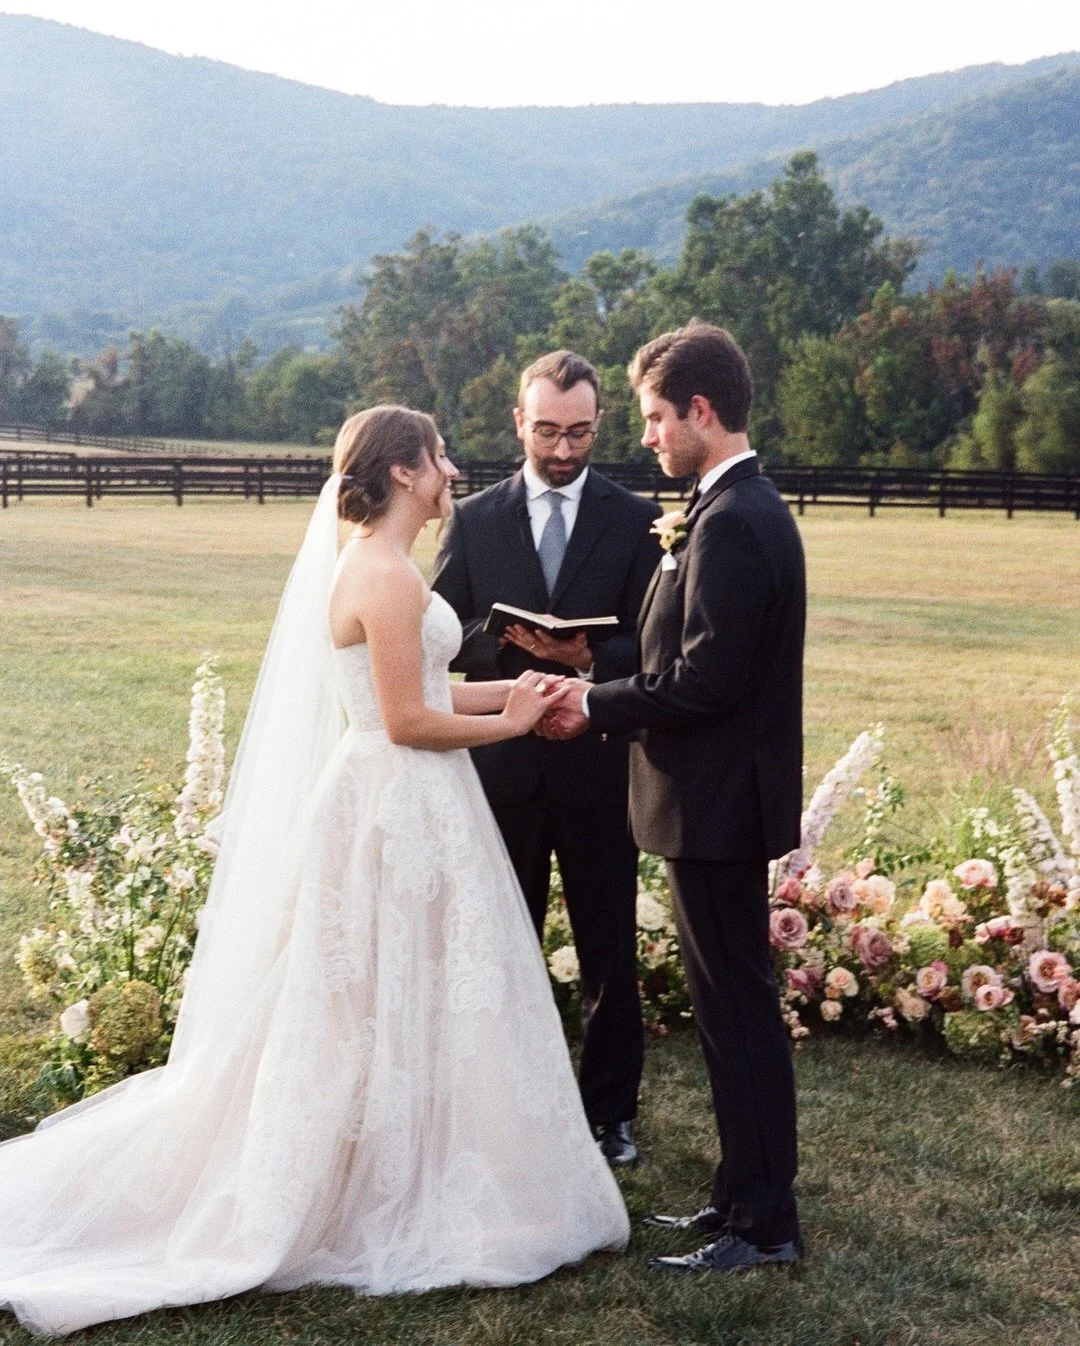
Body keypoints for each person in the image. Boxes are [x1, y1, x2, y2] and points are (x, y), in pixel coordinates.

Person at [0, 406, 628, 1338]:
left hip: (414, 797)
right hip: (393, 798)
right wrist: (507, 725)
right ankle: (374, 1174)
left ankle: (418, 1147)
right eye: (441, 456)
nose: (453, 469)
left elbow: (428, 690)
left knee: (410, 985)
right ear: (408, 470)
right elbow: (405, 722)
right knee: (369, 992)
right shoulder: (380, 573)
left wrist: (533, 693)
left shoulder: (390, 569)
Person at [541, 325, 806, 1273]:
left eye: (655, 417)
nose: (647, 436)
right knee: (724, 1007)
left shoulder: (735, 520)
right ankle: (737, 1198)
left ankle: (765, 1225)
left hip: (718, 804)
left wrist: (593, 704)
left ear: (700, 411)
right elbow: (685, 661)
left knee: (738, 1011)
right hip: (709, 801)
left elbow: (706, 681)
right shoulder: (723, 507)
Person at [432, 351, 661, 1166]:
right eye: (548, 432)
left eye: (581, 432)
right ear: (517, 423)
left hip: (600, 762)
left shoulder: (637, 517)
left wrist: (591, 656)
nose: (564, 450)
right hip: (504, 765)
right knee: (502, 942)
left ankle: (611, 1116)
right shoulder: (478, 518)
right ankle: (506, 1110)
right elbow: (441, 629)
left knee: (608, 948)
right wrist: (506, 641)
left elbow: (655, 638)